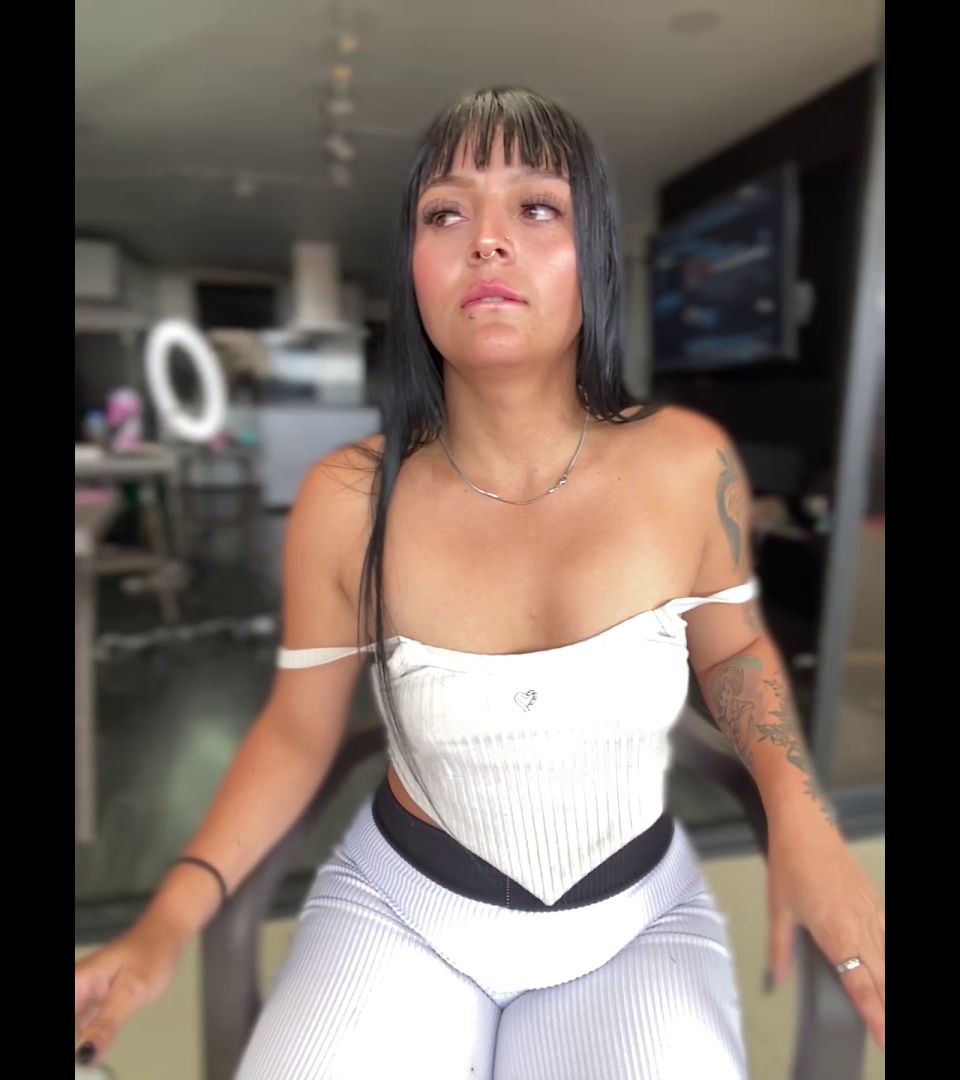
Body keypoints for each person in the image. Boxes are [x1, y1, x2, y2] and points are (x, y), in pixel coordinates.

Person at [75, 87, 884, 1078]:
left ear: (594, 256)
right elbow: (297, 731)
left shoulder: (685, 462)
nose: (487, 240)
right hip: (401, 910)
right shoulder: (347, 497)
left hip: (632, 920)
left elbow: (734, 649)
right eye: (445, 213)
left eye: (536, 207)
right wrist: (166, 919)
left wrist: (803, 815)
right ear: (412, 269)